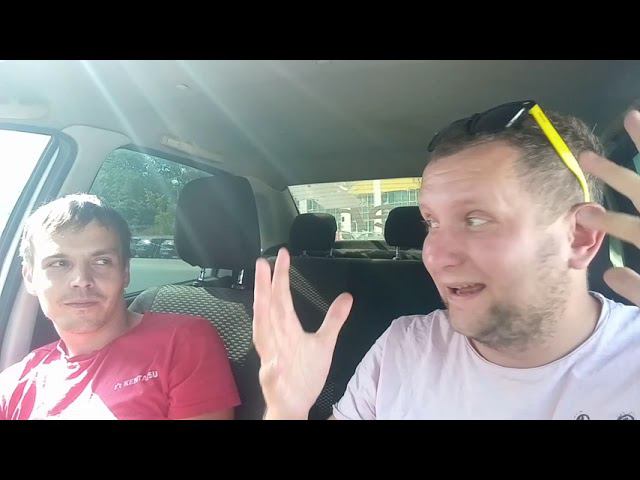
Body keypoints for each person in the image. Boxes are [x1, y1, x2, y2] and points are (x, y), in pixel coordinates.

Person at [253, 101, 640, 419]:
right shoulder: (403, 348)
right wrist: (288, 410)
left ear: (579, 237)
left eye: (476, 219)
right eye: (431, 222)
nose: (434, 255)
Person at [0, 194, 240, 419]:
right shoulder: (17, 380)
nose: (81, 279)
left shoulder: (183, 342)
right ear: (29, 277)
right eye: (59, 263)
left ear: (125, 272)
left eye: (102, 261)